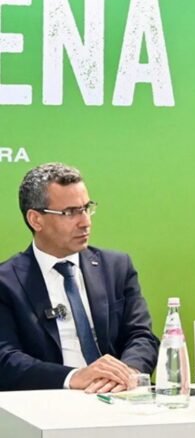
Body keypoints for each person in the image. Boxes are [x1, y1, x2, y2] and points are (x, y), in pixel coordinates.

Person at [0, 163, 159, 392]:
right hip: (50, 400)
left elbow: (141, 335)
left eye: (86, 208)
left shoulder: (116, 267)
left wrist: (128, 372)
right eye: (70, 212)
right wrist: (73, 377)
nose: (85, 222)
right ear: (36, 219)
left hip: (119, 394)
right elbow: (6, 359)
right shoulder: (6, 282)